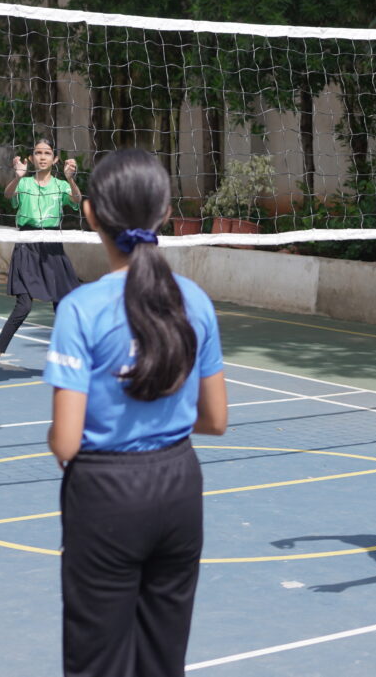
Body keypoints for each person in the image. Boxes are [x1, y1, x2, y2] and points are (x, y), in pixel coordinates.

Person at [45, 147, 227, 677]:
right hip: (178, 487)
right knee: (163, 658)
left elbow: (67, 441)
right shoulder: (194, 300)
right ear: (165, 213)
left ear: (90, 214)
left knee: (96, 661)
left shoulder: (81, 308)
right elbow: (215, 420)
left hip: (105, 494)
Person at [0, 138, 84, 390]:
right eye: (38, 153)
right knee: (22, 307)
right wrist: (17, 175)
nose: (42, 157)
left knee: (64, 307)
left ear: (55, 159)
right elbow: (7, 194)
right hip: (26, 245)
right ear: (32, 158)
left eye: (47, 153)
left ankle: (73, 361)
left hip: (52, 247)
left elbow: (76, 200)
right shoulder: (22, 183)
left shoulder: (60, 185)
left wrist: (70, 179)